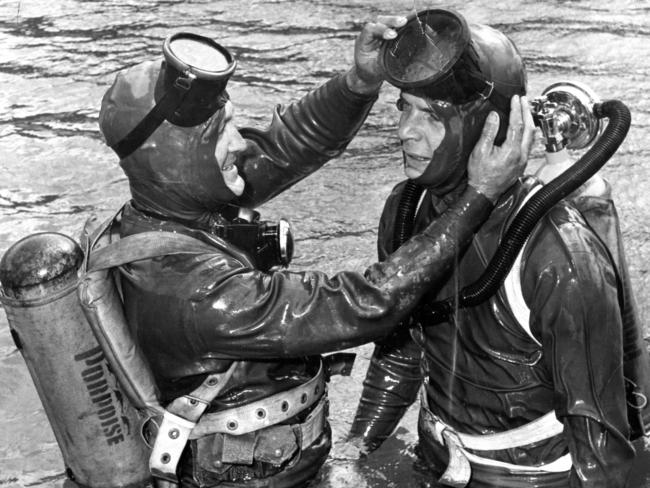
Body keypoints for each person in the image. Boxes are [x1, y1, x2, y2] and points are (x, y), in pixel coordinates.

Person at [97, 15, 532, 488]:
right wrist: (478, 197)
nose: (240, 143)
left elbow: (287, 148)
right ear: (177, 157)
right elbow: (365, 303)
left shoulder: (171, 207)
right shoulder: (189, 289)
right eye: (221, 132)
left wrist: (359, 82)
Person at [350, 8, 638, 488]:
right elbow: (399, 346)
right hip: (437, 457)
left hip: (534, 476)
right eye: (403, 107)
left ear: (489, 126)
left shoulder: (557, 256)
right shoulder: (405, 211)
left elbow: (602, 455)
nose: (404, 131)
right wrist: (354, 452)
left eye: (432, 116)